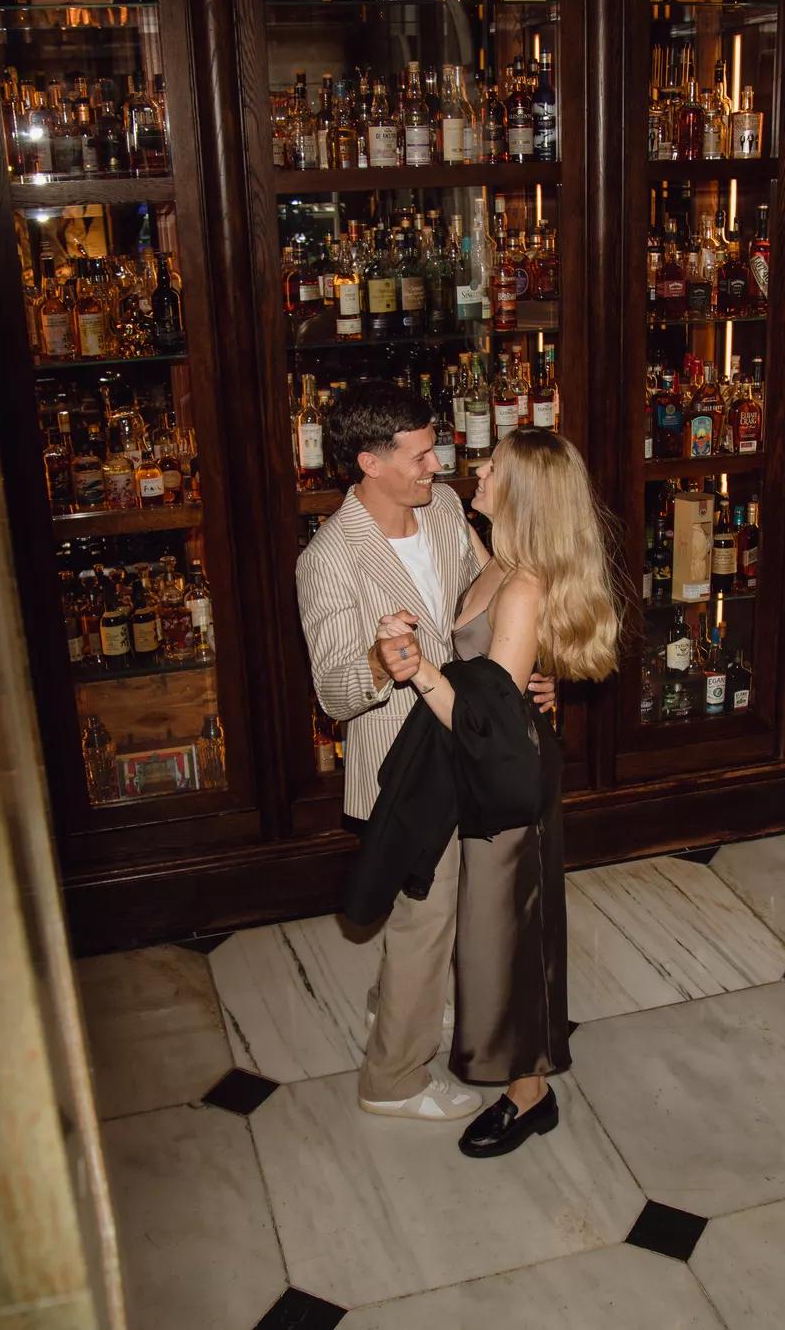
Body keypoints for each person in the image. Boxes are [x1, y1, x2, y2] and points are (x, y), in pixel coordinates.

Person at [295, 381, 554, 1121]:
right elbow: (335, 694)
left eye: (434, 445)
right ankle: (394, 1079)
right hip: (402, 764)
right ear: (368, 463)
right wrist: (381, 663)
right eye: (417, 454)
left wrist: (527, 676)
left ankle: (395, 1005)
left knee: (443, 911)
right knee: (425, 917)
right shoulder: (327, 561)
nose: (436, 464)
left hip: (466, 744)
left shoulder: (441, 509)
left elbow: (492, 603)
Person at [376, 427, 620, 1158]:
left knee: (507, 936)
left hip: (506, 779)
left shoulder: (521, 587)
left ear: (521, 491)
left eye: (495, 466)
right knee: (495, 930)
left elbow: (485, 719)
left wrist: (419, 669)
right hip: (484, 769)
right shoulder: (500, 559)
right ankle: (522, 1057)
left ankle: (529, 1092)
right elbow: (507, 677)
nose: (479, 467)